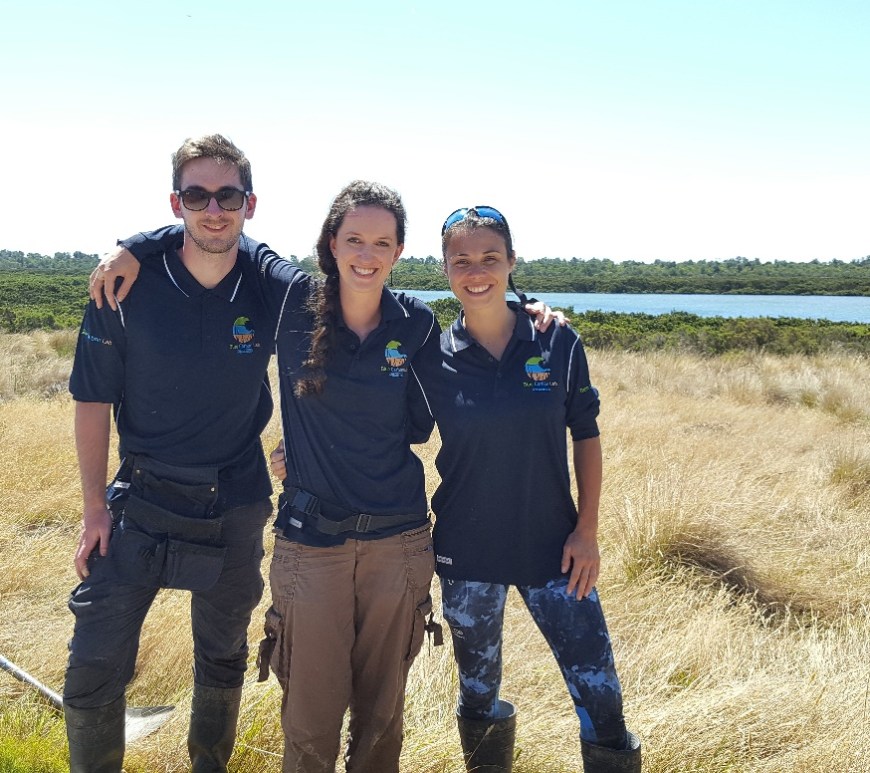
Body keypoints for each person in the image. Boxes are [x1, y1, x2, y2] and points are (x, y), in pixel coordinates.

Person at [93, 184, 563, 773]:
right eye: (355, 239)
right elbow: (223, 233)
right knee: (309, 727)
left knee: (382, 723)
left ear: (398, 253)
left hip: (400, 544)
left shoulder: (415, 323)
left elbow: (468, 365)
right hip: (311, 546)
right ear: (332, 244)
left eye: (382, 243)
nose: (367, 254)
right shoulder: (293, 306)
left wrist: (533, 317)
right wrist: (135, 245)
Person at [65, 134, 276, 772]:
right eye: (196, 195)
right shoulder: (124, 287)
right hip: (144, 496)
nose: (214, 209)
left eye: (228, 195)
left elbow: (344, 303)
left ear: (250, 202)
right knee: (94, 662)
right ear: (176, 201)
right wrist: (94, 508)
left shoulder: (267, 289)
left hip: (236, 499)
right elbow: (91, 401)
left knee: (222, 656)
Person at [423, 205, 641, 772]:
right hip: (466, 554)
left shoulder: (557, 341)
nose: (477, 271)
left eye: (490, 258)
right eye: (462, 260)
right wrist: (293, 449)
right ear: (444, 269)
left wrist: (587, 530)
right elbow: (373, 417)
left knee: (601, 699)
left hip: (556, 548)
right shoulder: (433, 357)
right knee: (477, 694)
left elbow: (586, 435)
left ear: (512, 262)